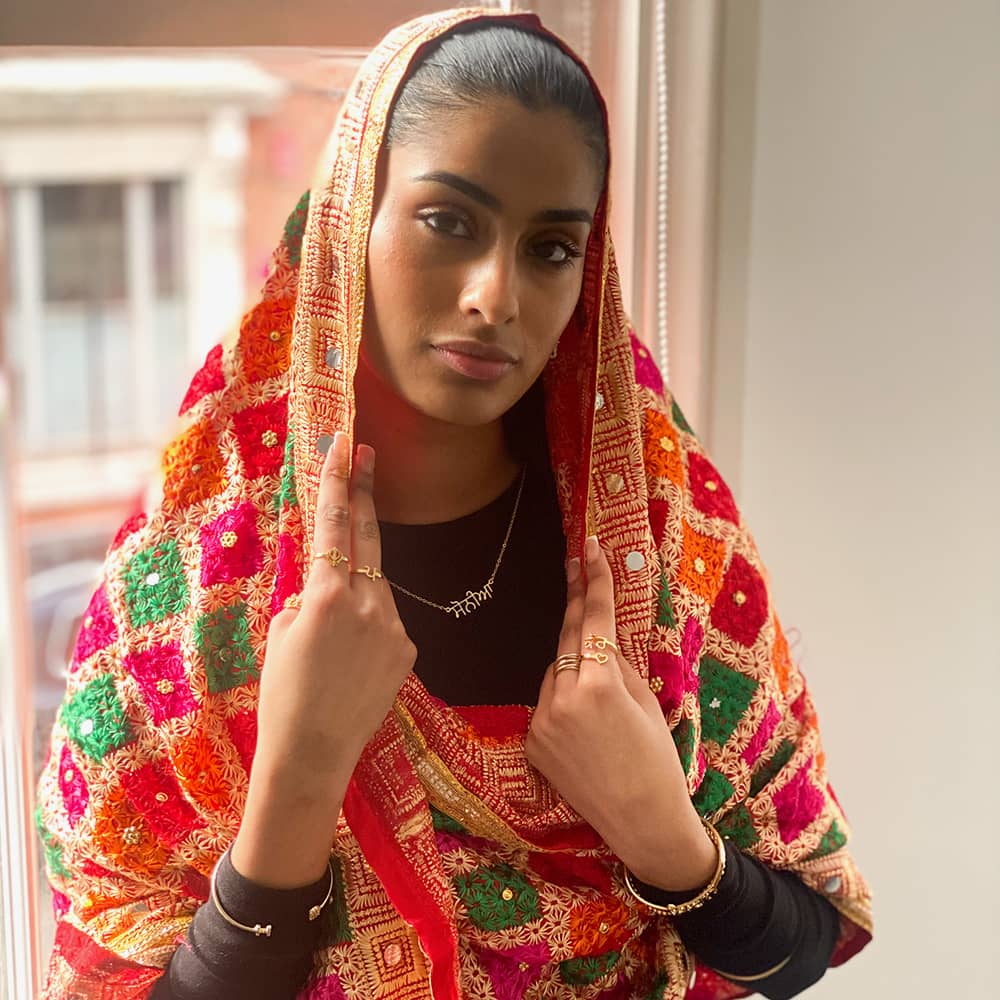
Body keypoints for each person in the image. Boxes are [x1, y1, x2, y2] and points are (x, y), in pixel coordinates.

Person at [35, 8, 872, 999]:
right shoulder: (196, 586)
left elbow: (800, 947)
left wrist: (660, 827)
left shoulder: (655, 538)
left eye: (550, 248)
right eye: (449, 221)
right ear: (353, 216)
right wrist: (300, 771)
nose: (494, 294)